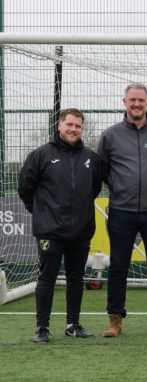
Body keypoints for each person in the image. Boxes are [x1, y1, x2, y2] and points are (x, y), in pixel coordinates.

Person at [18, 108, 107, 343]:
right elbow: (25, 188)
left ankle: (73, 324)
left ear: (82, 129)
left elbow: (94, 189)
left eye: (78, 126)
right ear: (59, 125)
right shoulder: (40, 155)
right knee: (47, 278)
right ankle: (42, 328)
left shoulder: (91, 158)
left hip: (81, 230)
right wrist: (41, 213)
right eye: (69, 124)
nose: (73, 129)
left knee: (76, 278)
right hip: (50, 231)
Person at [97, 83, 147, 337]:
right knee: (119, 266)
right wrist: (122, 188)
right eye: (132, 100)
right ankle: (115, 319)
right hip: (121, 211)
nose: (136, 104)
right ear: (124, 102)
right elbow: (103, 171)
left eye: (141, 100)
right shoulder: (110, 135)